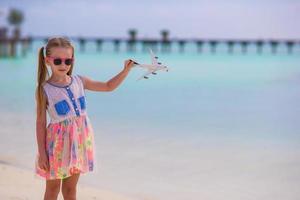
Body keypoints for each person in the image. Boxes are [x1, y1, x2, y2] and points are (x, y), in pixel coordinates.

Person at [34, 36, 135, 200]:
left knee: (70, 189)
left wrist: (125, 71)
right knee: (52, 189)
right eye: (58, 61)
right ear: (47, 60)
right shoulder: (44, 89)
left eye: (68, 61)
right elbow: (40, 123)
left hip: (79, 141)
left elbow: (108, 86)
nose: (63, 65)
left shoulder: (80, 81)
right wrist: (42, 153)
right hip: (57, 144)